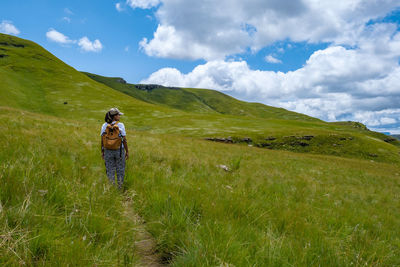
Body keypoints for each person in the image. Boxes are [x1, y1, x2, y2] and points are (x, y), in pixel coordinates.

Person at [101, 108, 129, 189]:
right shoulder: (120, 125)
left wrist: (102, 151)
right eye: (118, 115)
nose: (119, 116)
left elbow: (102, 140)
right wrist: (127, 151)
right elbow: (124, 139)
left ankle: (111, 188)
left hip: (107, 150)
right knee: (120, 169)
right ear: (114, 116)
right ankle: (120, 188)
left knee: (110, 169)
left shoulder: (104, 125)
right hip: (119, 150)